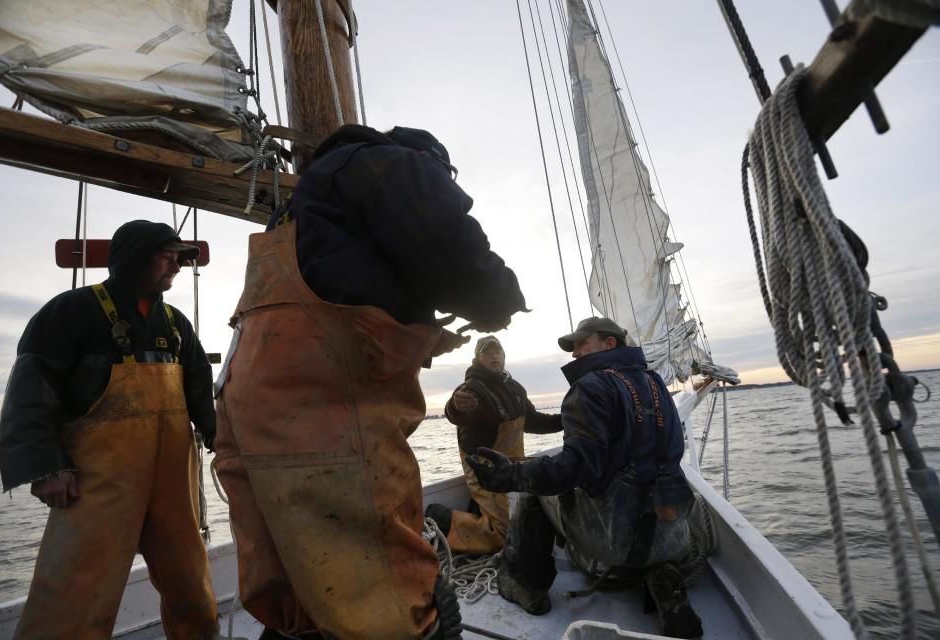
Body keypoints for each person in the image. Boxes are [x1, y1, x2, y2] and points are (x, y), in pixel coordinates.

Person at [214, 124, 527, 640]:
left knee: (292, 586)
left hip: (247, 395)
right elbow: (449, 247)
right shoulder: (391, 163)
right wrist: (499, 299)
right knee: (387, 598)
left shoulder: (301, 206)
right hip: (320, 398)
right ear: (428, 160)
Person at [0, 220, 219, 639]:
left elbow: (198, 388)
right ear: (133, 258)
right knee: (75, 590)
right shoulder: (71, 311)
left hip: (172, 480)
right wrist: (47, 467)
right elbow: (32, 388)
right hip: (95, 481)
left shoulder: (175, 323)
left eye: (179, 257)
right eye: (165, 255)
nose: (175, 265)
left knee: (191, 582)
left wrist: (217, 436)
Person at [467, 316, 705, 639]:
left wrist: (511, 474)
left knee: (534, 486)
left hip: (616, 538)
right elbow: (671, 453)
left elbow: (573, 470)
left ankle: (525, 584)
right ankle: (662, 576)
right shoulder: (656, 384)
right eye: (573, 346)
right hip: (669, 533)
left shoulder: (590, 388)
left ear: (609, 344)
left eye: (582, 343)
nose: (575, 352)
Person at [425, 335, 560, 555]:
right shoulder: (471, 389)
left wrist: (567, 420)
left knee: (541, 507)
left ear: (504, 356)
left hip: (514, 467)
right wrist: (456, 406)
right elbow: (457, 413)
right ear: (477, 360)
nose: (493, 355)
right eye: (486, 352)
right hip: (485, 471)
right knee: (508, 534)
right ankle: (440, 518)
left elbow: (533, 421)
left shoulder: (515, 388)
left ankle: (478, 510)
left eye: (497, 351)